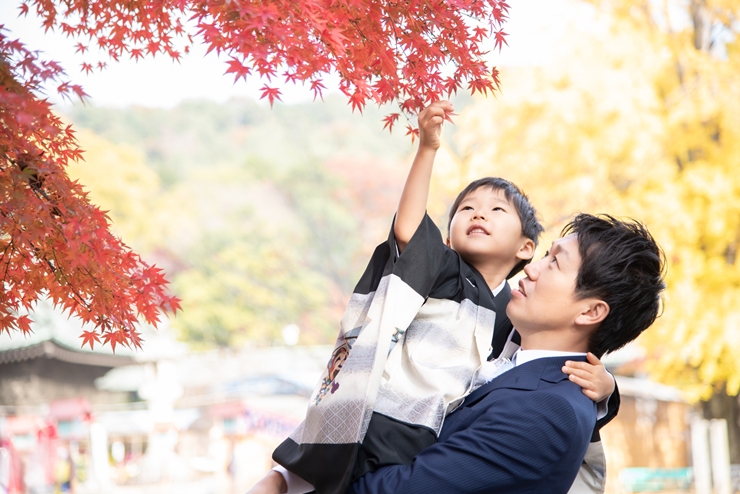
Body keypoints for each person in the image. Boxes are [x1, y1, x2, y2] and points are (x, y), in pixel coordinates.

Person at [253, 101, 616, 494]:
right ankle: (281, 480)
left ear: (527, 247)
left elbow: (550, 361)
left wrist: (608, 386)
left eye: (496, 209)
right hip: (388, 410)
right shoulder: (443, 271)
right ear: (444, 239)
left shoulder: (517, 313)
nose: (478, 215)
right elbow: (408, 228)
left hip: (431, 427)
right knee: (310, 474)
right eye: (466, 209)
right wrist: (427, 150)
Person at [261, 212, 666, 494]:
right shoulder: (506, 348)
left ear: (591, 312)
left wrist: (291, 484)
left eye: (555, 264)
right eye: (545, 254)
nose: (532, 269)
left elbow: (404, 490)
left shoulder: (548, 410)